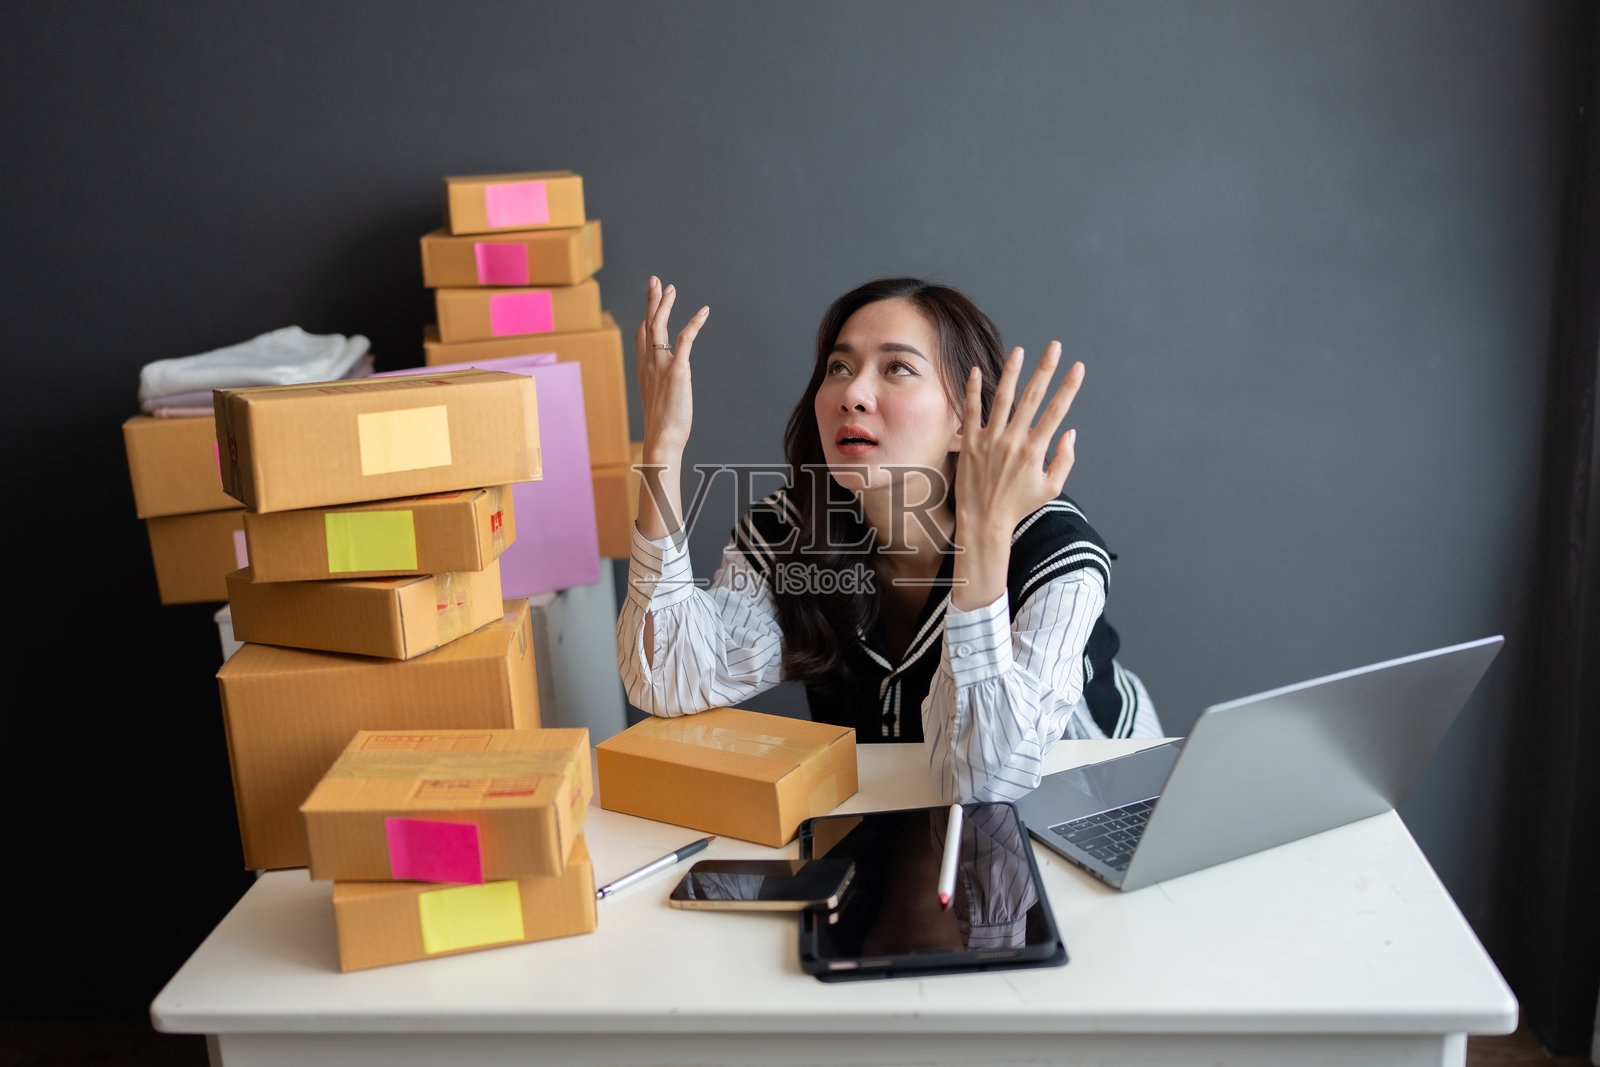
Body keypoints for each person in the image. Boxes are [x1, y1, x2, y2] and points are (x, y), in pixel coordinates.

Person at [616, 276, 1160, 802]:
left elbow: (984, 777)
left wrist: (986, 539)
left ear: (964, 421)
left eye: (897, 367)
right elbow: (666, 679)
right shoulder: (791, 531)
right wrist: (662, 446)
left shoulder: (1054, 550)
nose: (853, 392)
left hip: (1092, 800)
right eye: (839, 367)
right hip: (894, 818)